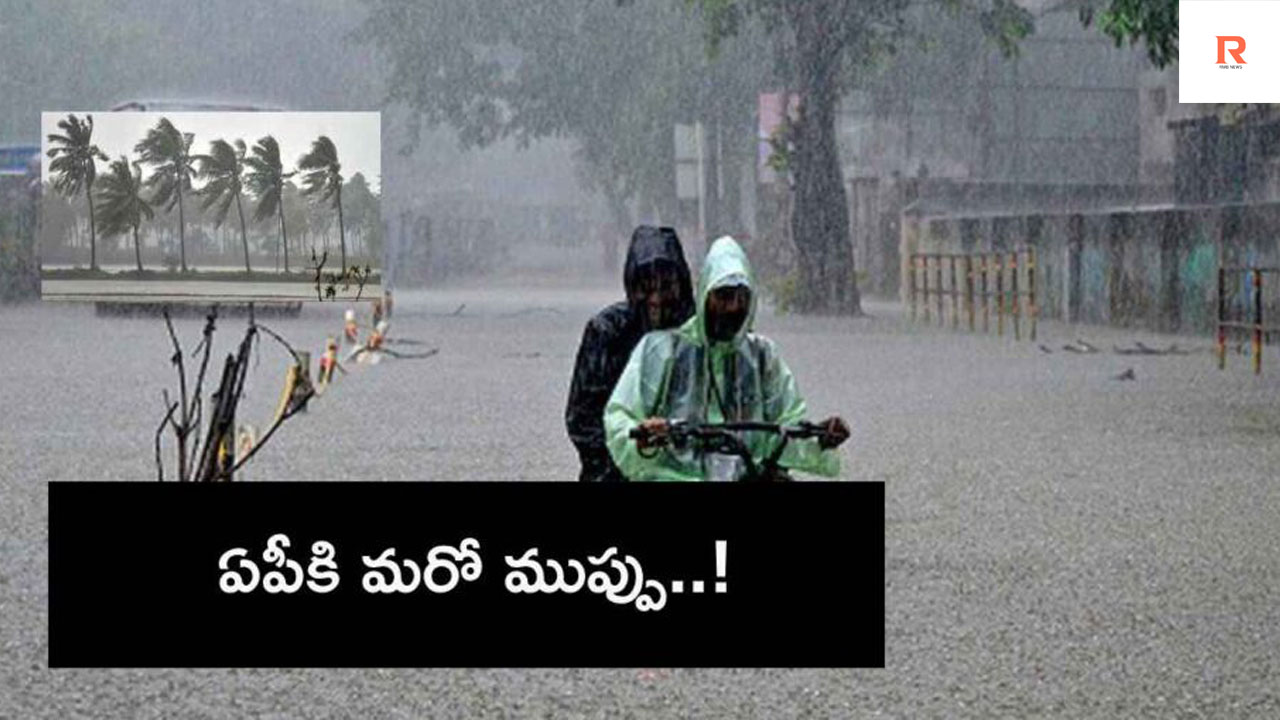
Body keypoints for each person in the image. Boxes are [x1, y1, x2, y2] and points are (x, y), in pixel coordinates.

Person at [604, 235, 849, 481]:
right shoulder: (660, 350)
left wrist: (820, 439)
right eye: (723, 296)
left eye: (741, 297)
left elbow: (787, 425)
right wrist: (643, 437)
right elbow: (619, 416)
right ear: (704, 296)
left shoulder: (763, 355)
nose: (733, 307)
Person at [566, 225, 696, 482]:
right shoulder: (607, 331)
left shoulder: (697, 331)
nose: (656, 299)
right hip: (616, 465)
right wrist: (624, 460)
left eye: (666, 287)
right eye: (645, 287)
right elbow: (582, 417)